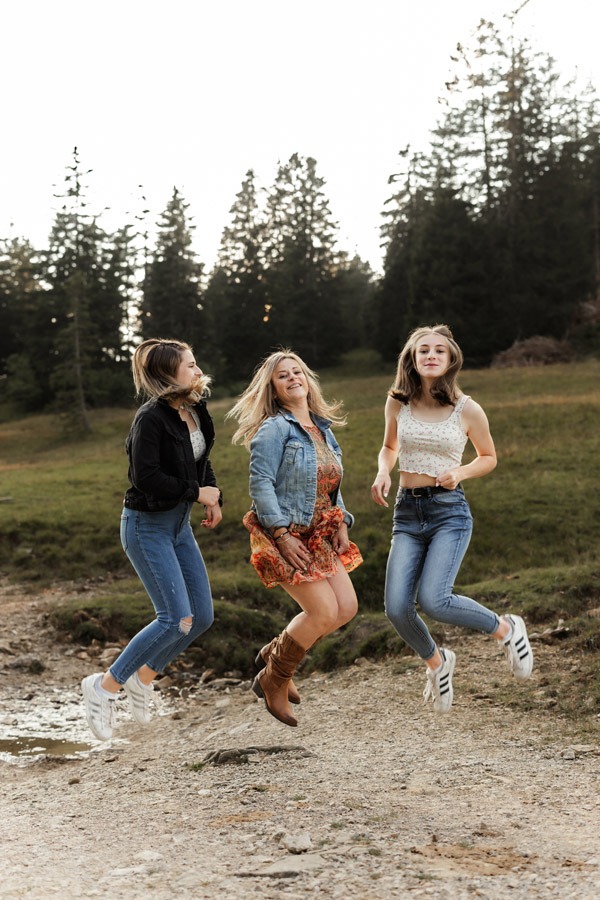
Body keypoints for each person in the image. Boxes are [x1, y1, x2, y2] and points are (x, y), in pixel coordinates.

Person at [371, 324, 533, 712]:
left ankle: (507, 629)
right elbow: (389, 446)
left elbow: (489, 457)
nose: (430, 355)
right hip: (407, 513)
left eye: (438, 351)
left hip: (449, 512)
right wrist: (382, 471)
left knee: (435, 599)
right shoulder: (397, 403)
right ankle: (437, 663)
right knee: (396, 608)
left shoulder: (468, 409)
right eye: (422, 349)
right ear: (411, 358)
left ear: (450, 359)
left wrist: (459, 473)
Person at [81, 338, 222, 741]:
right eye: (189, 366)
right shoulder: (151, 418)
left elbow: (201, 460)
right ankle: (105, 687)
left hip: (178, 525)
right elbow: (145, 477)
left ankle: (143, 678)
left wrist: (212, 496)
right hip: (146, 527)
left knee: (202, 617)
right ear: (166, 374)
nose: (197, 371)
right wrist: (197, 494)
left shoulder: (194, 408)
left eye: (196, 363)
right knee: (174, 618)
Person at [227, 350, 362, 727]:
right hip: (287, 533)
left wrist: (342, 522)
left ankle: (277, 653)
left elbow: (331, 482)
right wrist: (282, 534)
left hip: (321, 531)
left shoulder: (323, 429)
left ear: (307, 378)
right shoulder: (274, 428)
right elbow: (260, 484)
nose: (292, 379)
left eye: (297, 372)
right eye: (282, 376)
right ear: (272, 388)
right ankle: (275, 678)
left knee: (346, 608)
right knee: (322, 612)